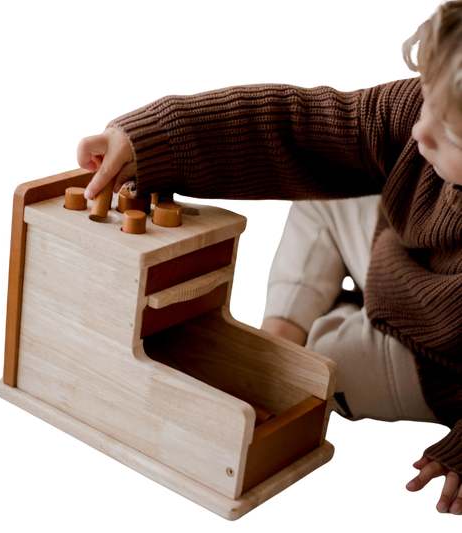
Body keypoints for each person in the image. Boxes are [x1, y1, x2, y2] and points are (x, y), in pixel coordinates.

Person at [74, 1, 461, 518]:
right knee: (326, 192)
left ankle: (303, 342)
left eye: (452, 132)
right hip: (400, 251)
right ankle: (279, 328)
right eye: (427, 98)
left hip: (441, 357)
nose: (421, 130)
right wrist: (154, 140)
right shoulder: (419, 119)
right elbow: (302, 125)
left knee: (322, 369)